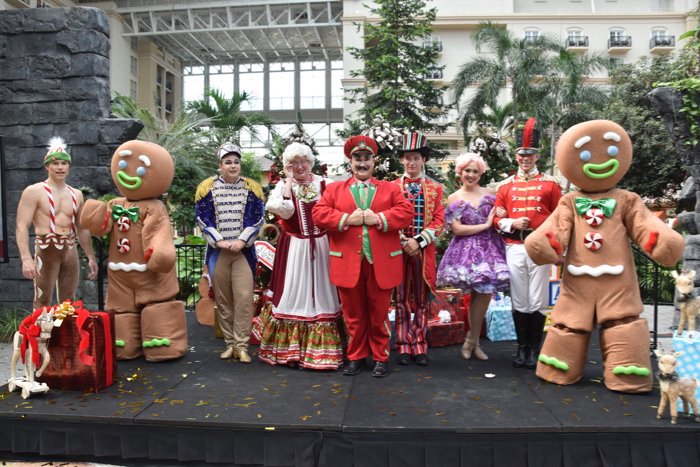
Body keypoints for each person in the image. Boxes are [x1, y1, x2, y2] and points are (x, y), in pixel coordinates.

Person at [312, 135, 413, 378]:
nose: (362, 163)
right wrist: (347, 219)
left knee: (378, 315)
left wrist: (378, 219)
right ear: (351, 162)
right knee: (354, 315)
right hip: (347, 262)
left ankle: (380, 358)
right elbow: (319, 213)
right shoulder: (335, 189)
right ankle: (356, 357)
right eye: (358, 159)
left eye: (367, 158)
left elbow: (406, 212)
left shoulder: (390, 188)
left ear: (374, 161)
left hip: (381, 262)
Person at [253, 142, 346, 369]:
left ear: (310, 162)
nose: (299, 166)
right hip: (296, 247)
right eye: (294, 163)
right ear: (287, 166)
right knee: (295, 291)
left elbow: (338, 209)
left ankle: (324, 350)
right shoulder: (284, 186)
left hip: (322, 245)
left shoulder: (324, 183)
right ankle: (292, 351)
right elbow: (281, 209)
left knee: (325, 292)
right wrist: (288, 182)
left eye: (303, 161)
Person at [493, 118, 562, 369]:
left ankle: (535, 349)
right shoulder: (504, 187)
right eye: (522, 155)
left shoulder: (551, 184)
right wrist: (511, 223)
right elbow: (496, 221)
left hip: (540, 247)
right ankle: (522, 349)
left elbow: (560, 219)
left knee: (538, 299)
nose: (526, 159)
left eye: (530, 155)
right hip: (513, 245)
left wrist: (558, 249)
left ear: (537, 157)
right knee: (519, 298)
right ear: (516, 156)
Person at [195, 143, 265, 363]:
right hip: (219, 252)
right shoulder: (207, 189)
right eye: (228, 162)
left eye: (236, 161)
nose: (233, 166)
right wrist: (220, 241)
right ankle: (230, 345)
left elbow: (259, 218)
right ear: (220, 166)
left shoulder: (252, 188)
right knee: (224, 301)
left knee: (244, 298)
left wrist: (242, 239)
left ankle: (242, 346)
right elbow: (201, 218)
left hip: (243, 252)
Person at [437, 153, 509, 360]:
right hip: (466, 250)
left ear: (481, 173)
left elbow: (503, 213)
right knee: (477, 293)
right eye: (467, 170)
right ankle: (473, 342)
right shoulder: (454, 197)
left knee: (485, 292)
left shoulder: (490, 193)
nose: (471, 174)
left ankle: (471, 341)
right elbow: (457, 229)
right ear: (460, 172)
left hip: (490, 248)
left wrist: (502, 216)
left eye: (475, 171)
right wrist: (485, 225)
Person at [16, 137, 98, 310]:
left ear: (69, 166)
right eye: (55, 164)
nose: (60, 167)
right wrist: (26, 259)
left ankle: (67, 336)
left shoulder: (76, 194)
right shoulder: (34, 191)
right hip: (46, 248)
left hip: (70, 248)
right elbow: (21, 226)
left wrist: (90, 256)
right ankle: (41, 337)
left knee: (69, 300)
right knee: (42, 297)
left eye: (64, 163)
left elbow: (81, 228)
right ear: (47, 166)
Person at [391, 132, 445, 367]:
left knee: (422, 300)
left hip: (423, 252)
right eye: (407, 158)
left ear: (423, 159)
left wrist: (418, 242)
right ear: (402, 160)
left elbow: (439, 221)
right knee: (401, 299)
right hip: (398, 250)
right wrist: (404, 240)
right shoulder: (390, 187)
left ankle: (420, 343)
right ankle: (403, 344)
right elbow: (389, 218)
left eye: (416, 158)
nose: (411, 162)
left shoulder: (435, 188)